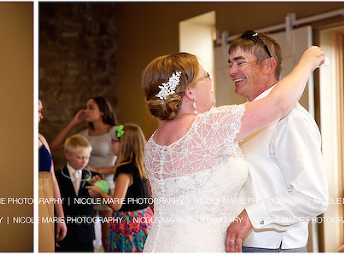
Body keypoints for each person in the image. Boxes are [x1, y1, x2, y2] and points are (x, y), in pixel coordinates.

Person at [140, 46, 325, 252]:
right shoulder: (208, 126)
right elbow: (279, 103)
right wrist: (306, 63)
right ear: (190, 92)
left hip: (158, 245)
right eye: (206, 76)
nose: (213, 81)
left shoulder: (153, 144)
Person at [224, 30, 329, 253]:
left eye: (240, 62)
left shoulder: (292, 120)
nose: (232, 71)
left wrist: (251, 215)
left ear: (268, 66)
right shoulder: (242, 118)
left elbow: (313, 198)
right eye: (230, 64)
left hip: (274, 247)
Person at [51, 96, 118, 250]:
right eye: (86, 107)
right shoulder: (84, 134)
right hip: (84, 185)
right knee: (86, 232)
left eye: (91, 107)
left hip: (105, 186)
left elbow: (124, 161)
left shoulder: (116, 130)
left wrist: (98, 170)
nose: (86, 111)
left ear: (102, 111)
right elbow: (55, 145)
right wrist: (75, 122)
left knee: (106, 237)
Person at [86, 124, 153, 252]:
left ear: (124, 144)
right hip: (144, 218)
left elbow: (116, 204)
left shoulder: (124, 169)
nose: (112, 144)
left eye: (114, 141)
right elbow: (129, 196)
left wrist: (100, 192)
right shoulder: (138, 165)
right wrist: (106, 189)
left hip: (129, 223)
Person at [54, 135, 100, 252]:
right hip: (66, 232)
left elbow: (101, 201)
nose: (84, 161)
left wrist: (99, 191)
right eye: (80, 157)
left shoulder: (93, 177)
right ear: (68, 155)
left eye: (87, 157)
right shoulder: (57, 177)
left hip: (86, 233)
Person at [38, 99, 68, 251]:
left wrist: (61, 217)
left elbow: (53, 180)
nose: (41, 116)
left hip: (48, 205)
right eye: (38, 111)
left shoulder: (41, 138)